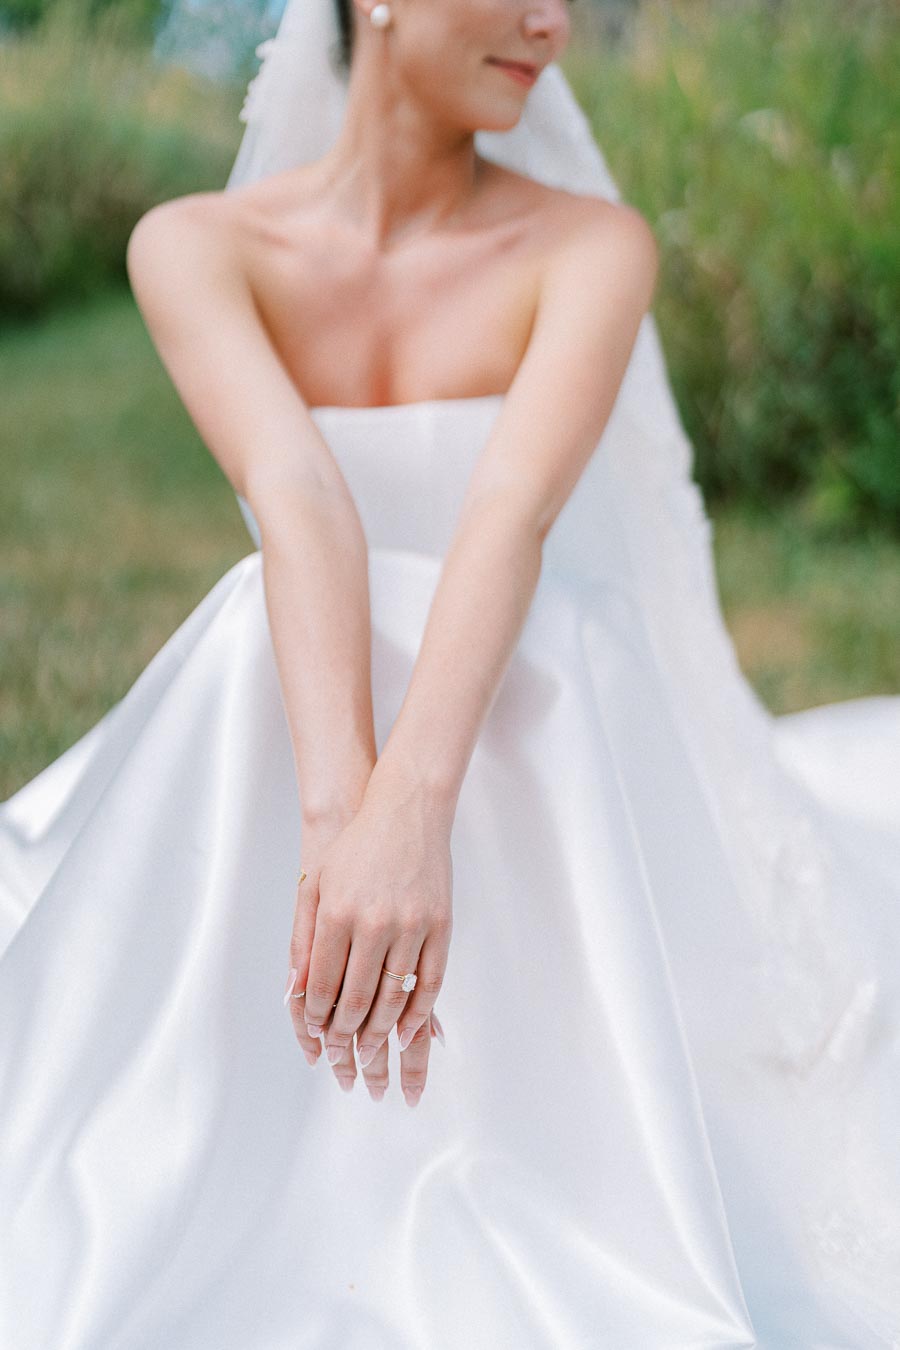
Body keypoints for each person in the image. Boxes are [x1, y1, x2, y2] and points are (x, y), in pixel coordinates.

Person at [1, 2, 897, 1346]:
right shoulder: (190, 244)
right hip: (298, 710)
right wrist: (338, 827)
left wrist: (412, 813)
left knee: (529, 661)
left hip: (534, 724)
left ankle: (516, 1160)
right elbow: (300, 498)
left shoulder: (593, 245)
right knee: (260, 617)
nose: (552, 23)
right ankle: (205, 1128)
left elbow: (511, 514)